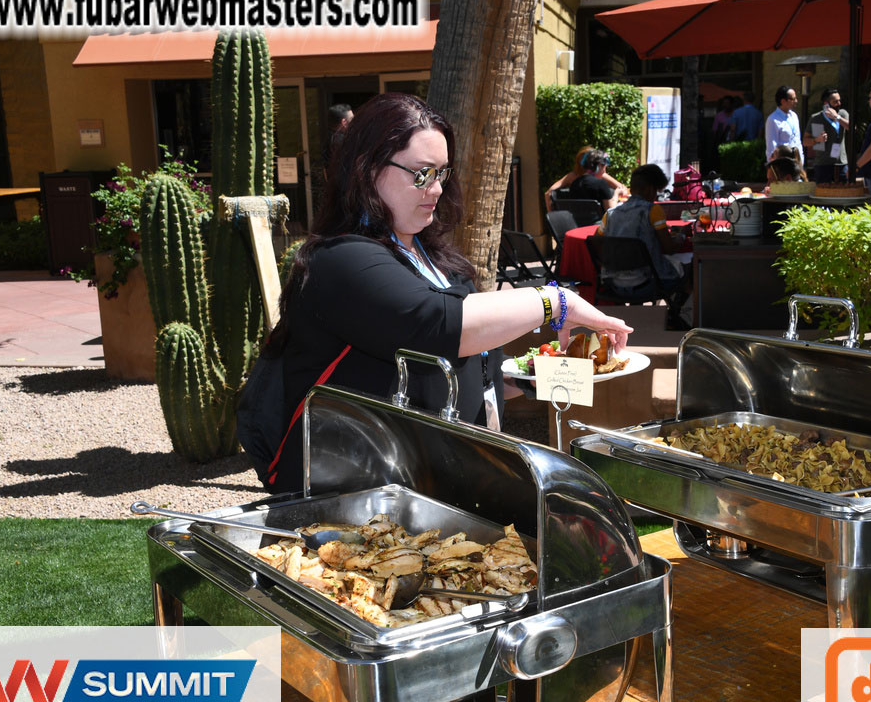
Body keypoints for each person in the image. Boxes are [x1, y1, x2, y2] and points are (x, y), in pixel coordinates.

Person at [265, 94, 632, 492]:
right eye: (422, 174)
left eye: (442, 173)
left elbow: (472, 361)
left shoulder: (433, 256)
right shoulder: (341, 260)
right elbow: (437, 324)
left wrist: (534, 377)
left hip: (435, 485)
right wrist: (557, 302)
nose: (437, 189)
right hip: (355, 497)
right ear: (367, 170)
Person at [596, 164, 691, 329]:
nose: (656, 196)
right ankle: (680, 317)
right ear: (649, 190)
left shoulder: (610, 214)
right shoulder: (653, 210)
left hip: (614, 284)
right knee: (691, 269)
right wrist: (682, 234)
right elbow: (669, 248)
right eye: (656, 191)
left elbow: (598, 243)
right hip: (647, 284)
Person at [544, 146, 627, 213]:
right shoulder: (600, 177)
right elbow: (621, 190)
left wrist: (552, 217)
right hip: (597, 225)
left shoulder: (574, 180)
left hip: (577, 223)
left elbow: (548, 193)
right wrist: (615, 195)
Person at [802, 88, 849, 183]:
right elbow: (805, 141)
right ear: (826, 104)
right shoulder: (816, 118)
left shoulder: (842, 114)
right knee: (823, 193)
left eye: (839, 100)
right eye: (835, 102)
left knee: (843, 193)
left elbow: (852, 128)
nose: (839, 103)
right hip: (823, 164)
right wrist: (816, 140)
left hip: (841, 163)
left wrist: (837, 117)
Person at [765, 85, 802, 164]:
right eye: (793, 99)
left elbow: (797, 140)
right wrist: (772, 166)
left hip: (797, 163)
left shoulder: (794, 116)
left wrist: (801, 159)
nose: (796, 101)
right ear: (783, 101)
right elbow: (771, 146)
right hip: (783, 164)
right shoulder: (773, 120)